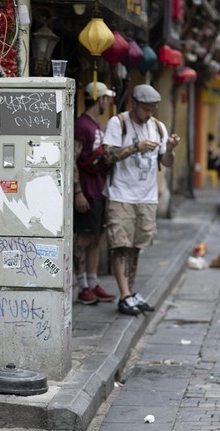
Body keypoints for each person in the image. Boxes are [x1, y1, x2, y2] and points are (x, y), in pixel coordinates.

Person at [101, 84, 180, 316]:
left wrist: (170, 149)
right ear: (133, 104)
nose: (149, 115)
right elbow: (108, 155)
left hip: (147, 197)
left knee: (136, 246)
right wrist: (136, 147)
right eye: (146, 110)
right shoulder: (119, 123)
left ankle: (131, 292)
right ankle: (124, 295)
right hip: (121, 194)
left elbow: (166, 163)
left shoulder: (158, 126)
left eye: (153, 110)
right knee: (120, 245)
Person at [73, 81, 117, 305]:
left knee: (97, 238)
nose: (108, 102)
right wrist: (78, 192)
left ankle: (93, 281)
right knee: (84, 238)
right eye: (106, 98)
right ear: (99, 99)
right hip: (87, 191)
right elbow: (73, 159)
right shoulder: (82, 125)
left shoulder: (97, 125)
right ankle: (82, 286)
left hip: (99, 189)